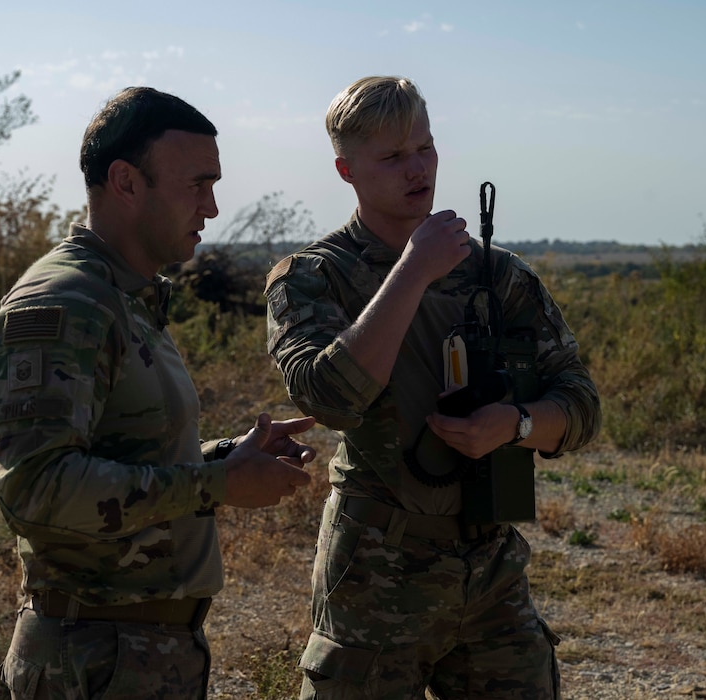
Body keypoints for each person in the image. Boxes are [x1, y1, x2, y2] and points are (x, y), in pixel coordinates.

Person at [264, 76, 601, 699]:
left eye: (425, 147)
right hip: (376, 569)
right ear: (346, 170)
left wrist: (517, 423)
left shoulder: (496, 273)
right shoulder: (314, 276)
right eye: (392, 157)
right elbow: (328, 397)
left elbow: (580, 402)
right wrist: (414, 270)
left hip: (491, 566)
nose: (417, 169)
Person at [0, 86, 316, 700]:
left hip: (140, 655)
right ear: (126, 181)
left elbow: (121, 451)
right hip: (93, 660)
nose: (212, 208)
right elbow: (35, 489)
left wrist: (225, 459)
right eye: (197, 185)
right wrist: (218, 485)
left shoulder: (127, 298)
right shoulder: (63, 304)